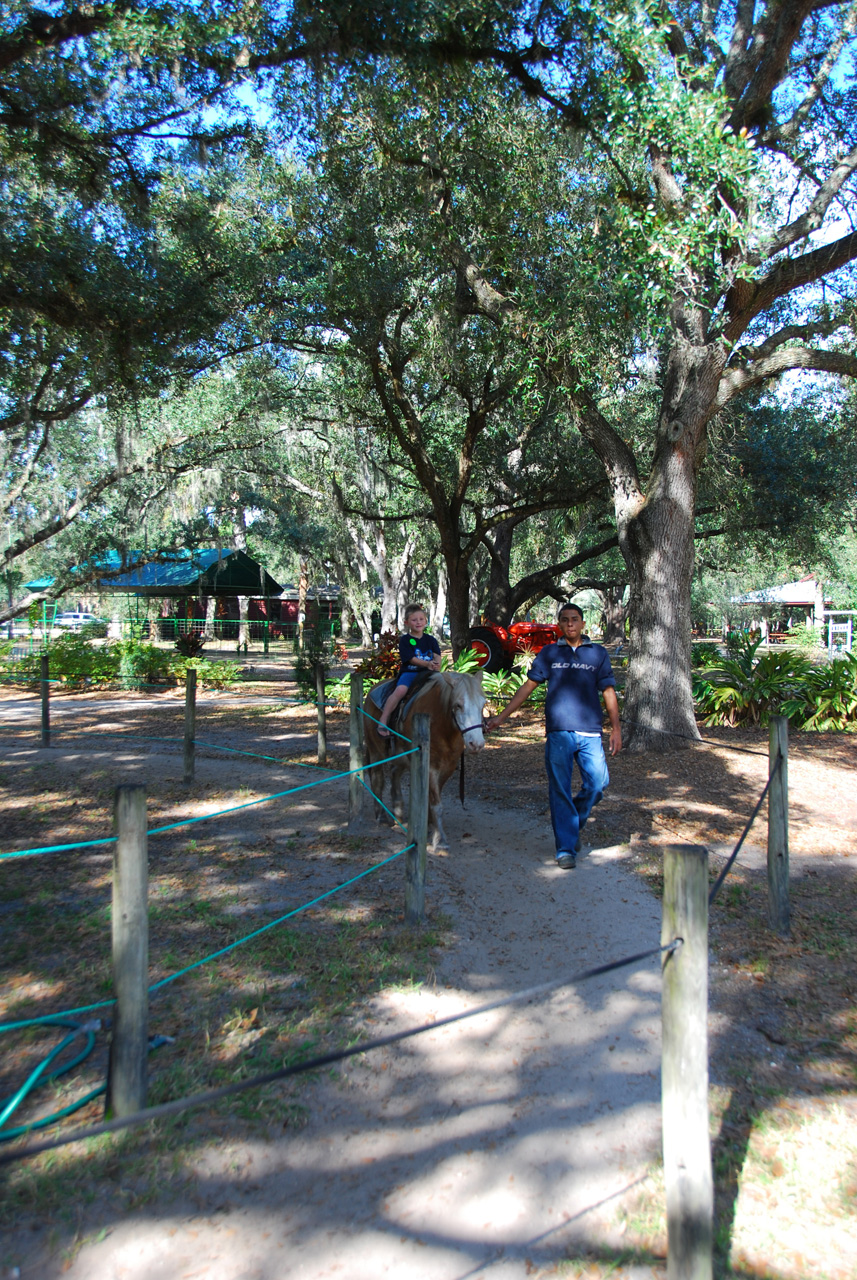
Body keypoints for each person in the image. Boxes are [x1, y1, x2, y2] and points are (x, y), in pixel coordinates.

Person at [485, 602, 621, 869]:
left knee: (598, 784)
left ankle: (572, 826)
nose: (570, 624)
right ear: (559, 624)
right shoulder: (548, 653)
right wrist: (502, 717)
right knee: (560, 790)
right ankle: (566, 848)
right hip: (559, 732)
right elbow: (527, 687)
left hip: (590, 732)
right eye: (565, 620)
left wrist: (615, 728)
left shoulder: (598, 654)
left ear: (583, 623)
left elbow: (608, 691)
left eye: (575, 619)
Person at [376, 604, 442, 738]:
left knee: (445, 690)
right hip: (411, 673)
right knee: (400, 690)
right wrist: (427, 663)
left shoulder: (431, 640)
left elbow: (437, 654)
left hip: (429, 673)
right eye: (414, 620)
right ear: (406, 622)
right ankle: (384, 719)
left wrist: (436, 664)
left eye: (421, 619)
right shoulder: (406, 640)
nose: (418, 622)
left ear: (426, 621)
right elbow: (410, 659)